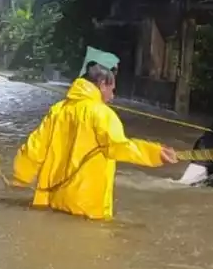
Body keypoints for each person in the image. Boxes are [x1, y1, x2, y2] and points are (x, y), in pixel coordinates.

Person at [10, 63, 179, 220]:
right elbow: (119, 146)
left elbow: (35, 146)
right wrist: (156, 153)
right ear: (102, 84)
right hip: (86, 203)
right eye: (112, 90)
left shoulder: (58, 109)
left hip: (52, 196)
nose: (112, 97)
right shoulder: (103, 114)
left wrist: (21, 177)